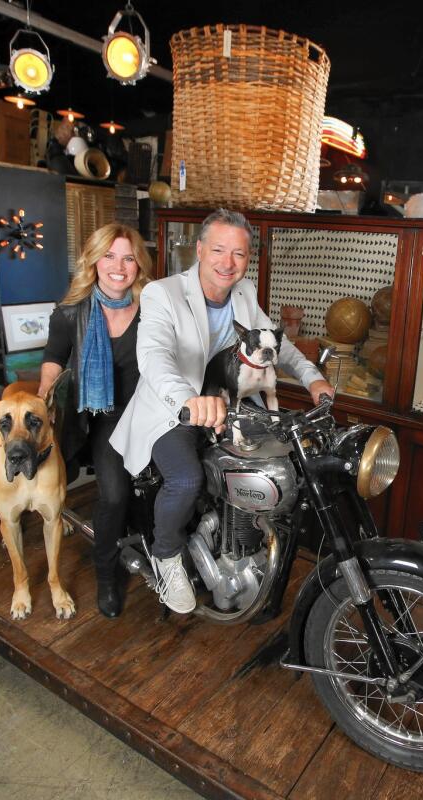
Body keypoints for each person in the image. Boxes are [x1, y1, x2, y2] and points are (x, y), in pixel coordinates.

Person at [110, 208, 333, 613]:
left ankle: (244, 542)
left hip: (229, 404)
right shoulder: (163, 292)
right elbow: (154, 355)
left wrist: (311, 378)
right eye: (218, 250)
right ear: (199, 249)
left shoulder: (244, 293)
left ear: (249, 260)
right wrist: (188, 398)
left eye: (239, 254)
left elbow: (278, 346)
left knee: (278, 460)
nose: (228, 263)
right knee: (186, 478)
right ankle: (167, 556)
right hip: (172, 407)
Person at [38, 222, 150, 618]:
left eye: (128, 257)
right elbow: (53, 359)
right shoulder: (70, 314)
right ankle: (106, 572)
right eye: (109, 256)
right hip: (101, 417)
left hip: (150, 412)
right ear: (93, 260)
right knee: (116, 494)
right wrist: (44, 397)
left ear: (139, 264)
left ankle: (164, 552)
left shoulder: (154, 307)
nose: (118, 266)